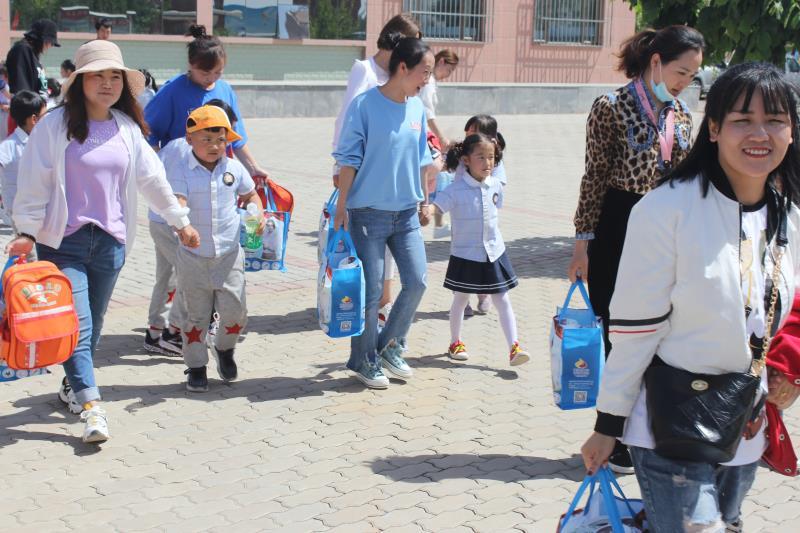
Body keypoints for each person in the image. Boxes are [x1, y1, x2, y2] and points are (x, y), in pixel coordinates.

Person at [580, 62, 800, 531]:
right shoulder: (666, 209)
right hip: (670, 422)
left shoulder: (790, 218)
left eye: (775, 120)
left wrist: (789, 372)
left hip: (744, 421)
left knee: (728, 521)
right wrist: (608, 423)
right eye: (742, 120)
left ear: (792, 131)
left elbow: (782, 310)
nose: (759, 133)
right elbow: (633, 329)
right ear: (714, 128)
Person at [5, 40, 200, 443]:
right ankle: (92, 407)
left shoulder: (126, 128)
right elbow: (34, 182)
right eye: (98, 76)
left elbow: (153, 180)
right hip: (64, 243)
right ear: (80, 81)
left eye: (115, 76)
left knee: (91, 328)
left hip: (112, 244)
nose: (107, 83)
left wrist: (180, 222)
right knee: (77, 324)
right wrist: (26, 230)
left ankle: (71, 385)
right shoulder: (54, 126)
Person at [566, 25, 704, 474]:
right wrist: (582, 245)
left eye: (693, 76)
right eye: (681, 72)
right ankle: (616, 437)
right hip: (617, 228)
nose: (685, 83)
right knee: (619, 335)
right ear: (656, 62)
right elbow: (594, 178)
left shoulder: (681, 115)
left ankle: (651, 432)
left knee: (662, 333)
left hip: (665, 232)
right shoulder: (611, 107)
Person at [333, 37, 433, 389]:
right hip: (367, 213)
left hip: (406, 214)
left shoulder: (417, 109)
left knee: (417, 281)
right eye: (424, 71)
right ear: (403, 67)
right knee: (371, 292)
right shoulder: (364, 105)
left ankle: (390, 346)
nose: (427, 80)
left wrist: (425, 201)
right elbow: (348, 159)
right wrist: (342, 206)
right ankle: (363, 359)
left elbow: (422, 159)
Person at [331, 13, 422, 329]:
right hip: (362, 173)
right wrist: (339, 166)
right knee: (370, 252)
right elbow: (346, 117)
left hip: (393, 181)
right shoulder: (365, 70)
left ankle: (383, 308)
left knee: (394, 253)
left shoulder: (403, 80)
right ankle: (366, 314)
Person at [170, 105, 263, 392]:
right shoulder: (182, 169)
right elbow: (178, 201)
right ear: (190, 140)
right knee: (195, 317)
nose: (214, 146)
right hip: (193, 258)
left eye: (221, 140)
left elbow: (252, 195)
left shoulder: (233, 168)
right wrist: (183, 225)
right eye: (206, 140)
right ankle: (196, 366)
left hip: (229, 256)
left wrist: (256, 213)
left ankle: (224, 348)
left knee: (236, 312)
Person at [144, 99, 239, 355]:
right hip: (176, 224)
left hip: (159, 219)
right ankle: (175, 332)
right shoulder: (193, 151)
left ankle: (155, 331)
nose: (219, 143)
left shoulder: (178, 144)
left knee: (167, 277)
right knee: (190, 277)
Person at [432, 134, 529, 366]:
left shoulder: (495, 185)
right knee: (461, 299)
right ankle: (455, 342)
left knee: (502, 299)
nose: (488, 163)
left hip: (494, 252)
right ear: (466, 160)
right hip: (465, 254)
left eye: (491, 157)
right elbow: (437, 206)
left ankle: (514, 347)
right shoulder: (455, 189)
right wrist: (429, 213)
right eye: (481, 157)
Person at [144, 24, 267, 179]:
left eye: (218, 72)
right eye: (205, 73)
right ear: (190, 64)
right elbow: (148, 130)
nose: (211, 78)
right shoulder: (173, 91)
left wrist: (253, 168)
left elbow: (236, 138)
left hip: (218, 175)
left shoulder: (225, 90)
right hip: (181, 174)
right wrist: (159, 166)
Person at [419, 49, 458, 239]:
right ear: (441, 61)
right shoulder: (428, 83)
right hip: (424, 136)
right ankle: (430, 218)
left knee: (435, 176)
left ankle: (436, 221)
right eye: (449, 70)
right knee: (435, 173)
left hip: (426, 136)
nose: (448, 75)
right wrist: (441, 138)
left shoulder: (431, 82)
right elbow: (428, 114)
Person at [0, 90, 47, 222]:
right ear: (34, 119)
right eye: (45, 116)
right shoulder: (10, 145)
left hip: (41, 209)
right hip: (21, 214)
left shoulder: (42, 141)